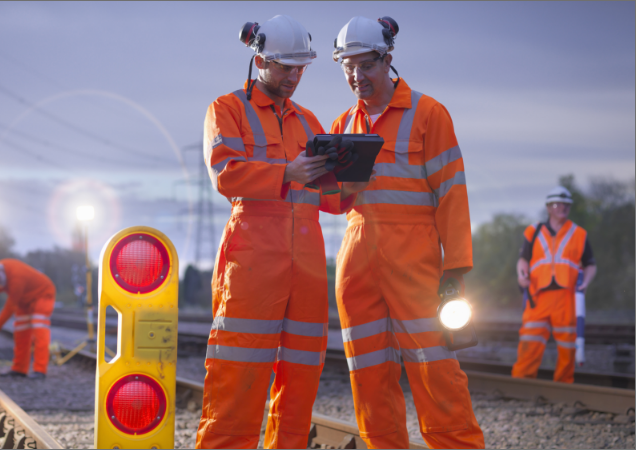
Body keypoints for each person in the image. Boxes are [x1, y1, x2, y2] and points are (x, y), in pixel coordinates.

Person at [195, 15, 361, 449]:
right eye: (285, 67)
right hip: (253, 263)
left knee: (301, 379)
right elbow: (226, 174)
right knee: (238, 377)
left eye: (301, 68)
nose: (294, 76)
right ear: (260, 58)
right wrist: (286, 171)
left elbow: (327, 199)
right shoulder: (228, 109)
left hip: (305, 267)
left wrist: (350, 185)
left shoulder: (309, 122)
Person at [329, 16, 484, 448]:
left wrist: (455, 267)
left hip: (415, 260)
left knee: (436, 371)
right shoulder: (342, 125)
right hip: (357, 260)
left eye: (366, 66)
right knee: (368, 375)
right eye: (348, 67)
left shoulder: (428, 114)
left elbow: (452, 193)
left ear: (387, 60)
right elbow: (334, 201)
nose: (356, 76)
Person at [513, 186, 596, 383]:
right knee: (530, 340)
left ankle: (563, 385)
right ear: (549, 207)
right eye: (558, 204)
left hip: (566, 297)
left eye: (566, 204)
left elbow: (591, 265)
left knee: (568, 344)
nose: (563, 208)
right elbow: (523, 259)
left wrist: (585, 283)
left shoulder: (579, 234)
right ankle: (520, 383)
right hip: (537, 296)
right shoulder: (533, 231)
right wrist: (520, 274)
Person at [0, 253, 55, 379]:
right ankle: (19, 369)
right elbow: (3, 283)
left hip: (42, 294)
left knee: (39, 328)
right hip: (25, 298)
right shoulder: (2, 268)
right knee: (20, 330)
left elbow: (9, 308)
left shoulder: (17, 278)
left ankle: (40, 370)